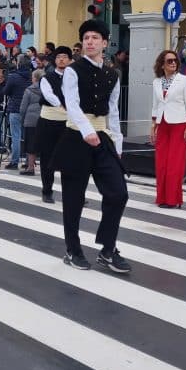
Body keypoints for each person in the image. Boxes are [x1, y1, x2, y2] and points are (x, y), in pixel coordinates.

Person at [55, 20, 130, 273]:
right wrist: (87, 131)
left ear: (105, 43)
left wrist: (117, 143)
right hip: (76, 137)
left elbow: (113, 111)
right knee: (73, 198)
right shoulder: (73, 71)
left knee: (118, 193)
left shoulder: (112, 74)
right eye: (86, 37)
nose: (89, 41)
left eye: (95, 37)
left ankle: (108, 249)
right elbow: (72, 105)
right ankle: (72, 249)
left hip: (103, 137)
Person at [150, 49, 186, 208]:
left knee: (175, 163)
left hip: (179, 124)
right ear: (162, 64)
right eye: (169, 61)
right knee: (161, 163)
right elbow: (156, 105)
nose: (174, 63)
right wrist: (153, 126)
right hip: (162, 124)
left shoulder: (185, 80)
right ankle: (161, 198)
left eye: (175, 60)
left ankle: (173, 199)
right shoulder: (157, 82)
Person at [37, 45, 73, 203]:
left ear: (70, 60)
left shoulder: (75, 78)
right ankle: (47, 190)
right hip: (49, 121)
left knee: (70, 158)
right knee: (47, 158)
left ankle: (73, 193)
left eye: (65, 57)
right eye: (59, 57)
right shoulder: (47, 77)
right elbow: (48, 95)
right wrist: (64, 104)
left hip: (69, 121)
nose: (62, 59)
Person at [2, 55, 31, 169]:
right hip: (29, 109)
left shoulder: (13, 76)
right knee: (29, 136)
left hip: (15, 108)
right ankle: (29, 161)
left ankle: (14, 161)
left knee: (16, 136)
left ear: (19, 64)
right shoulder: (32, 76)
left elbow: (6, 91)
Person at [18, 69, 44, 176]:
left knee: (30, 144)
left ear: (34, 78)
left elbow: (23, 108)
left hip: (31, 119)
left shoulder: (29, 90)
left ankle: (30, 167)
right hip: (44, 118)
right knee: (44, 144)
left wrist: (22, 119)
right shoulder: (48, 89)